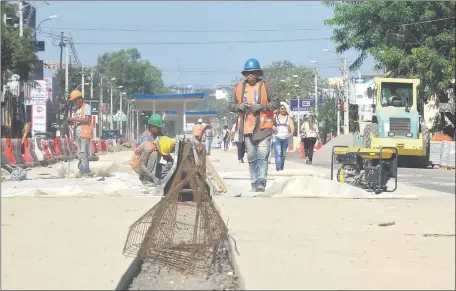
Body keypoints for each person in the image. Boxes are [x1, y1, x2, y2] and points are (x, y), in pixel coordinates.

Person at [229, 58, 279, 192]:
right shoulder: (239, 88)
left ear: (258, 73)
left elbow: (276, 103)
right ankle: (254, 182)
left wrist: (261, 107)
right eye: (248, 73)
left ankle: (261, 182)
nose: (250, 75)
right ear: (245, 74)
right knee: (251, 157)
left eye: (253, 72)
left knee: (262, 156)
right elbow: (231, 105)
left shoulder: (265, 86)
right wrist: (240, 106)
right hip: (246, 128)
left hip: (263, 128)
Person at [68, 90, 92, 177]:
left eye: (75, 100)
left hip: (84, 133)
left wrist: (74, 119)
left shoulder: (87, 107)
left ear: (79, 99)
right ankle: (82, 170)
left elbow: (87, 120)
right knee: (79, 153)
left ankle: (86, 172)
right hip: (78, 134)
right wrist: (71, 121)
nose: (74, 102)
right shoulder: (77, 109)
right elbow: (76, 120)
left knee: (83, 152)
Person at [272, 102, 295, 171]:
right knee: (278, 153)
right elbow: (270, 121)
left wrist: (291, 133)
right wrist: (272, 126)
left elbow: (292, 127)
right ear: (279, 109)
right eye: (281, 108)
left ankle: (281, 168)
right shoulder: (275, 117)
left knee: (283, 154)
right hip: (277, 137)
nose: (283, 110)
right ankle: (278, 169)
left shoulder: (289, 118)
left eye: (284, 109)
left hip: (285, 138)